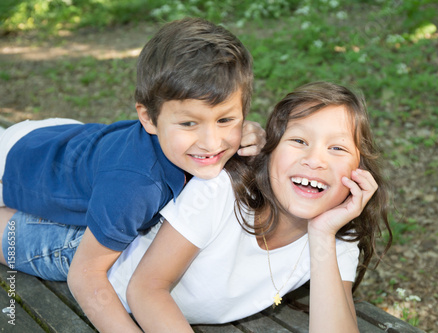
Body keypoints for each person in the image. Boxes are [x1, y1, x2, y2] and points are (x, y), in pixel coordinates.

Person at [0, 17, 265, 332]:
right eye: (189, 123)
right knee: (64, 249)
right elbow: (85, 275)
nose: (211, 142)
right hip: (18, 165)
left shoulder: (194, 146)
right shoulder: (136, 187)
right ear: (149, 119)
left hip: (64, 138)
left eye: (226, 120)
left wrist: (254, 134)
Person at [108, 81, 392, 332]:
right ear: (269, 153)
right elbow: (146, 289)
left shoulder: (336, 239)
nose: (315, 160)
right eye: (298, 140)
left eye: (337, 148)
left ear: (359, 172)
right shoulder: (222, 190)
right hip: (84, 252)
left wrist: (321, 234)